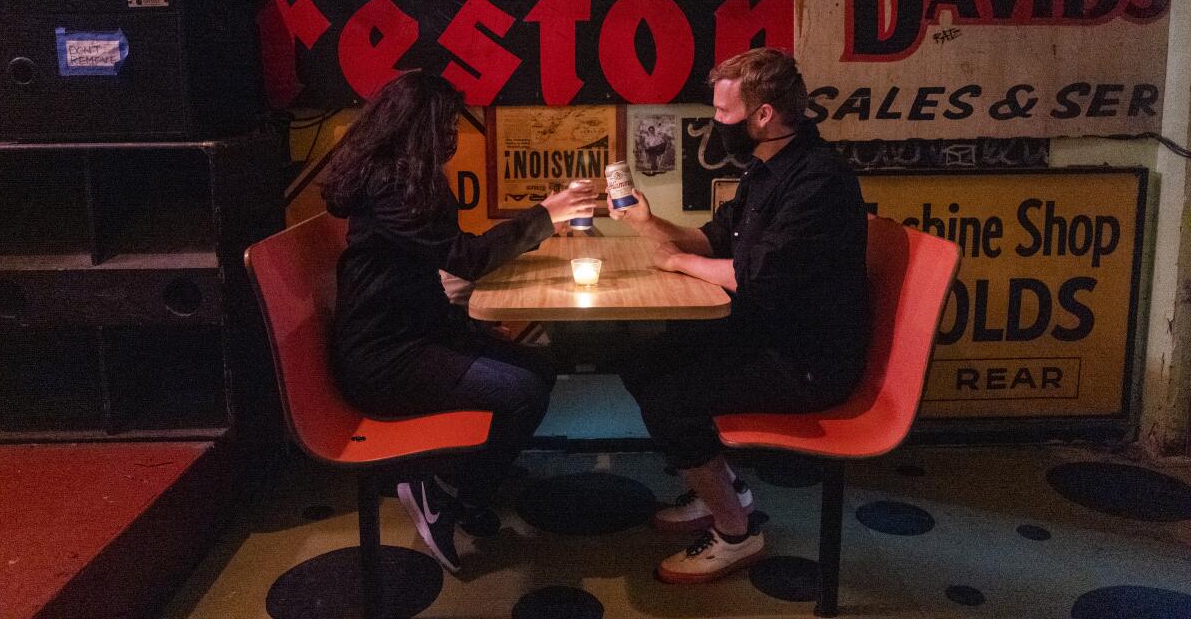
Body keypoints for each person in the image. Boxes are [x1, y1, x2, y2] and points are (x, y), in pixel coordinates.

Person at [609, 47, 869, 584]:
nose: (716, 125)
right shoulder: (768, 168)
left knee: (670, 396)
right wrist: (648, 223)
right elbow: (713, 238)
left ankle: (735, 532)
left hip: (808, 362)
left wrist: (677, 261)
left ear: (764, 115)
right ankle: (726, 490)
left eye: (725, 115)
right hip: (766, 334)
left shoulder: (819, 180)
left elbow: (755, 275)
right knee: (642, 358)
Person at [321, 70, 596, 574]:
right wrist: (544, 215)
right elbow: (462, 258)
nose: (453, 135)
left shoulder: (403, 178)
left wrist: (465, 328)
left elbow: (424, 275)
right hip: (385, 358)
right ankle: (442, 491)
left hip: (414, 333)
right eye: (446, 124)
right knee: (522, 392)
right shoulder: (391, 188)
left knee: (540, 369)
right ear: (421, 128)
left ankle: (468, 485)